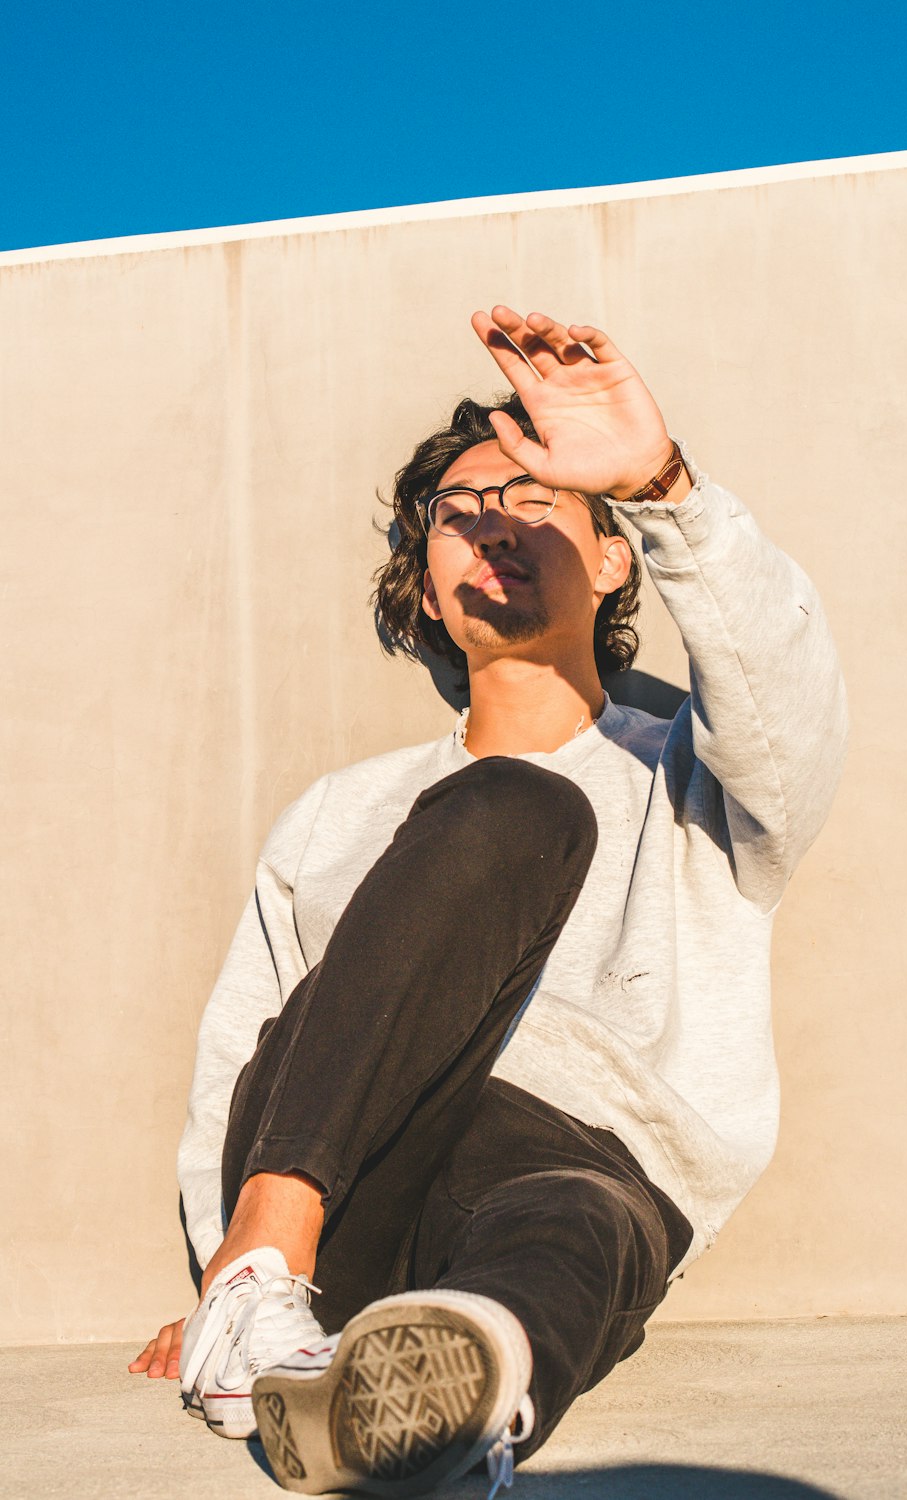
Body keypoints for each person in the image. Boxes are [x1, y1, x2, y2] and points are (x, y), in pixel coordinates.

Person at [129, 306, 847, 1497]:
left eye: (535, 498)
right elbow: (234, 1058)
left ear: (614, 557)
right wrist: (222, 1265)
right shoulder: (339, 812)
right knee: (519, 810)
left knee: (576, 1226)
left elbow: (790, 701)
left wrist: (660, 487)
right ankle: (258, 1302)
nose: (491, 524)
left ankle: (449, 1412)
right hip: (332, 1203)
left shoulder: (699, 778)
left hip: (577, 1169)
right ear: (422, 591)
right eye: (457, 515)